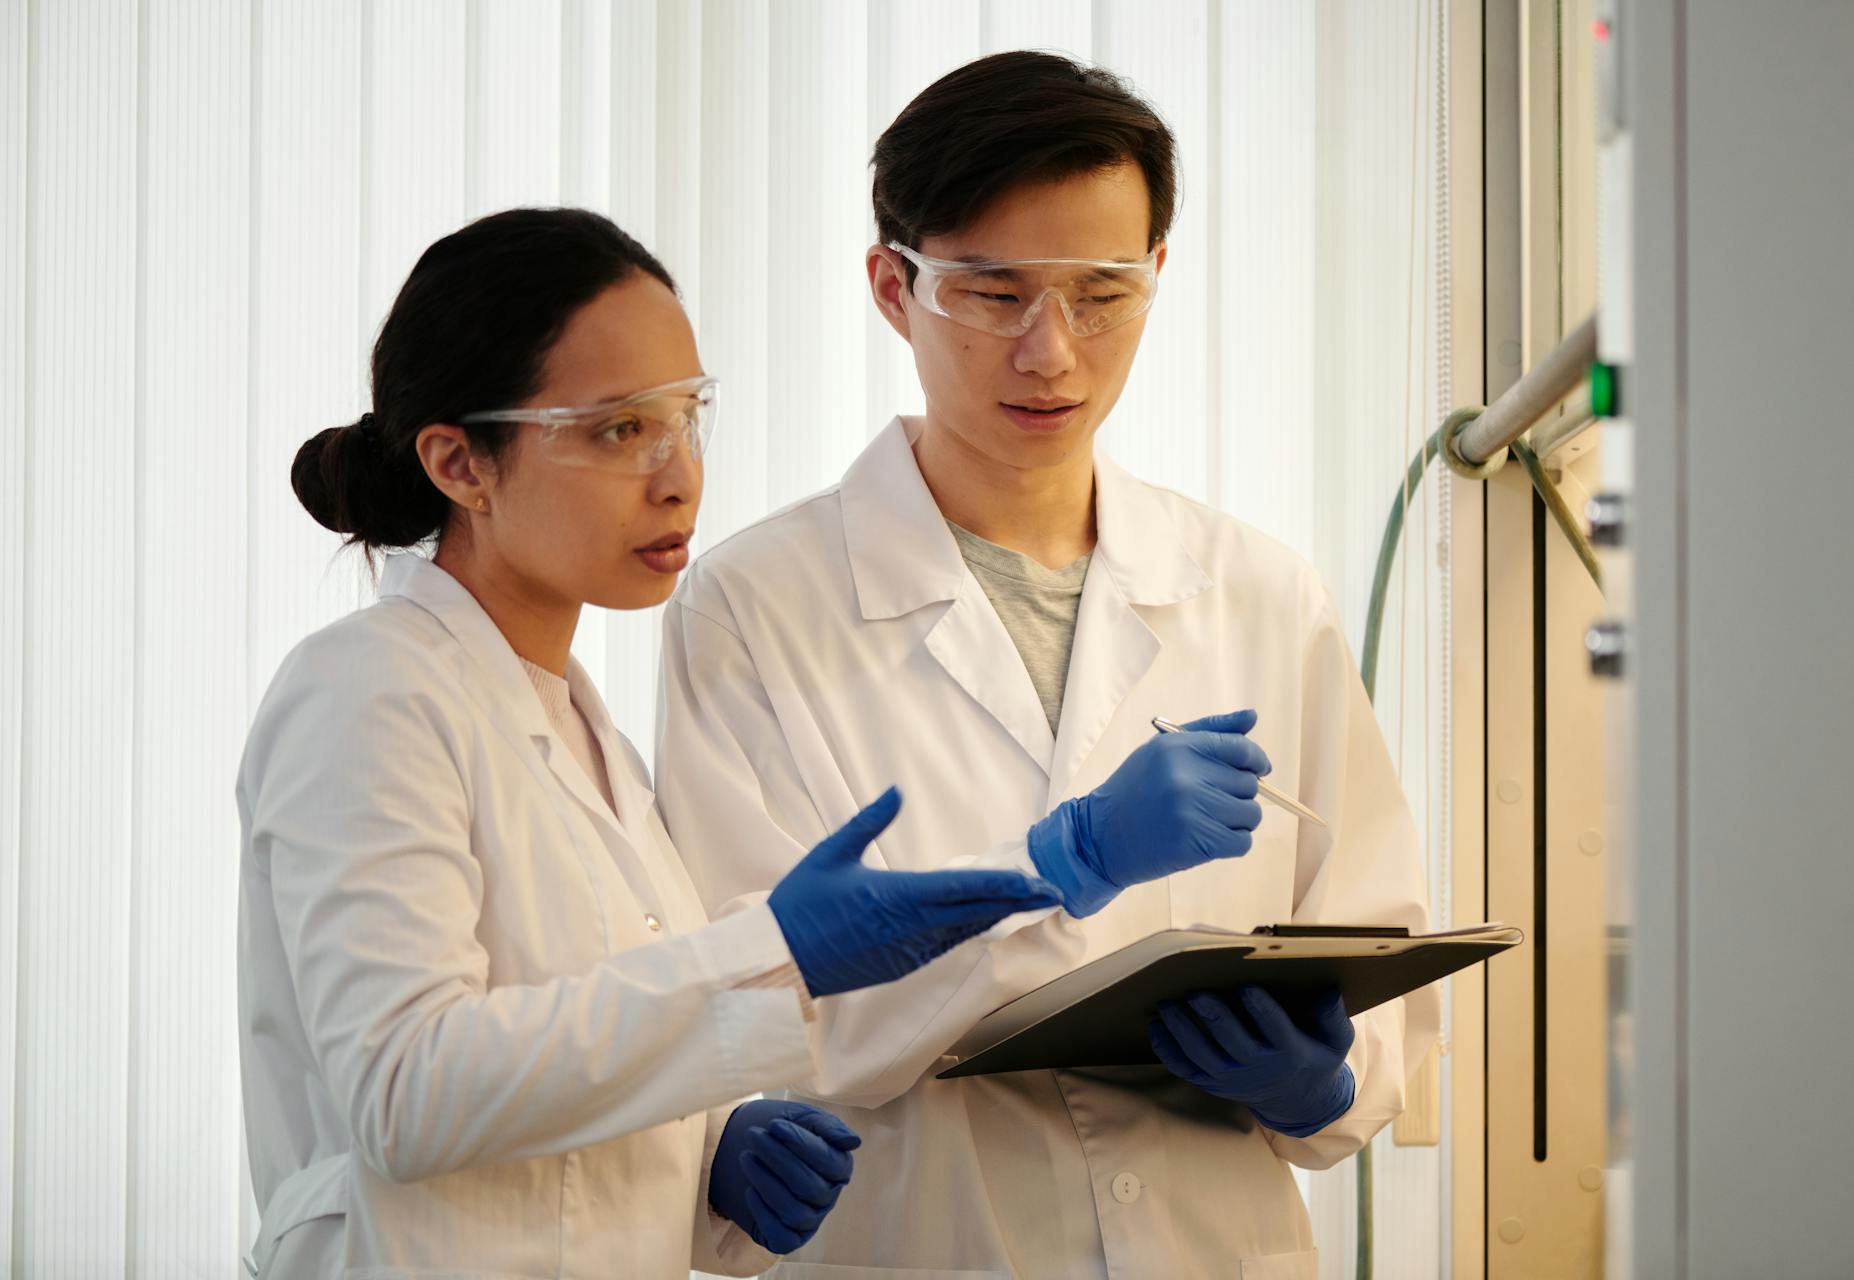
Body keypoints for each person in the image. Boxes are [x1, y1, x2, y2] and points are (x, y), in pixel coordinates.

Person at [655, 52, 1438, 1277]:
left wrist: (1319, 1081)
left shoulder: (1262, 594)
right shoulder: (756, 605)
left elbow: (1380, 951)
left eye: (1102, 292)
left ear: (1159, 278)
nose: (1052, 353)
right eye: (994, 292)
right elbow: (743, 1009)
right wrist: (1056, 878)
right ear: (891, 284)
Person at [237, 207, 1061, 1280]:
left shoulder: (590, 737)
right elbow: (403, 1089)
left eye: (688, 417)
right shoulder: (368, 689)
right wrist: (774, 955)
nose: (680, 477)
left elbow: (571, 1078)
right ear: (459, 462)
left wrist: (712, 1160)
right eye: (619, 429)